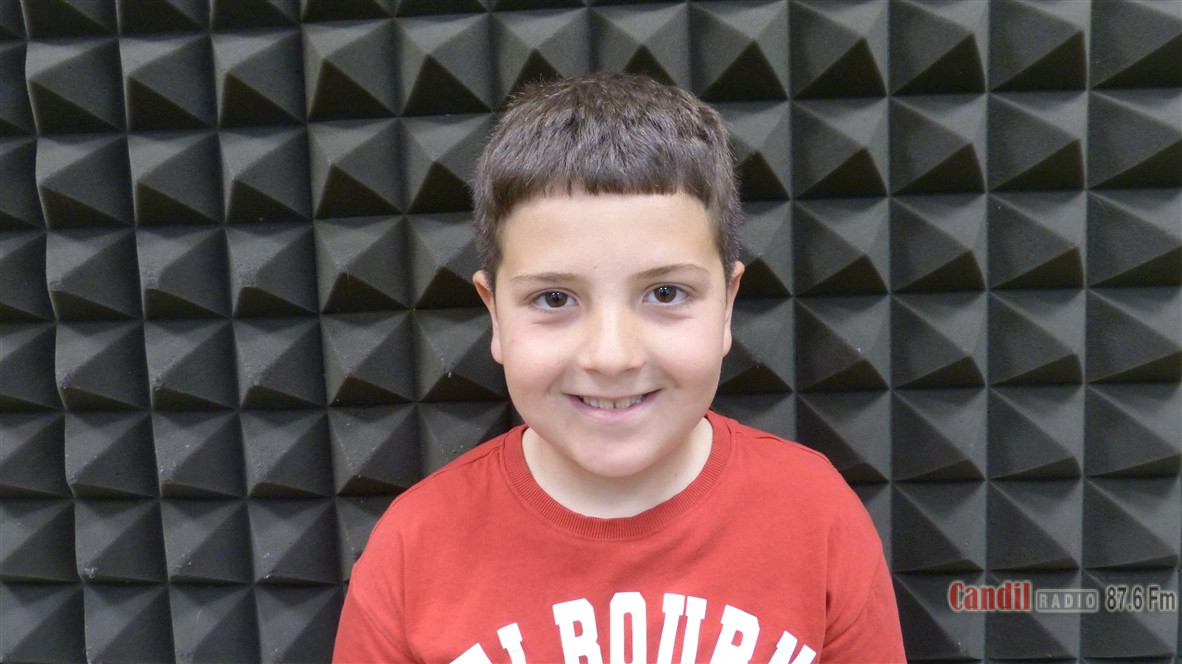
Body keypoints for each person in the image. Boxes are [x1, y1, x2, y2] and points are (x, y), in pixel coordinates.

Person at [333, 71, 906, 663]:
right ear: (495, 313)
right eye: (554, 298)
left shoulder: (817, 517)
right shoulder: (412, 549)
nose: (611, 357)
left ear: (728, 305)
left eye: (665, 293)